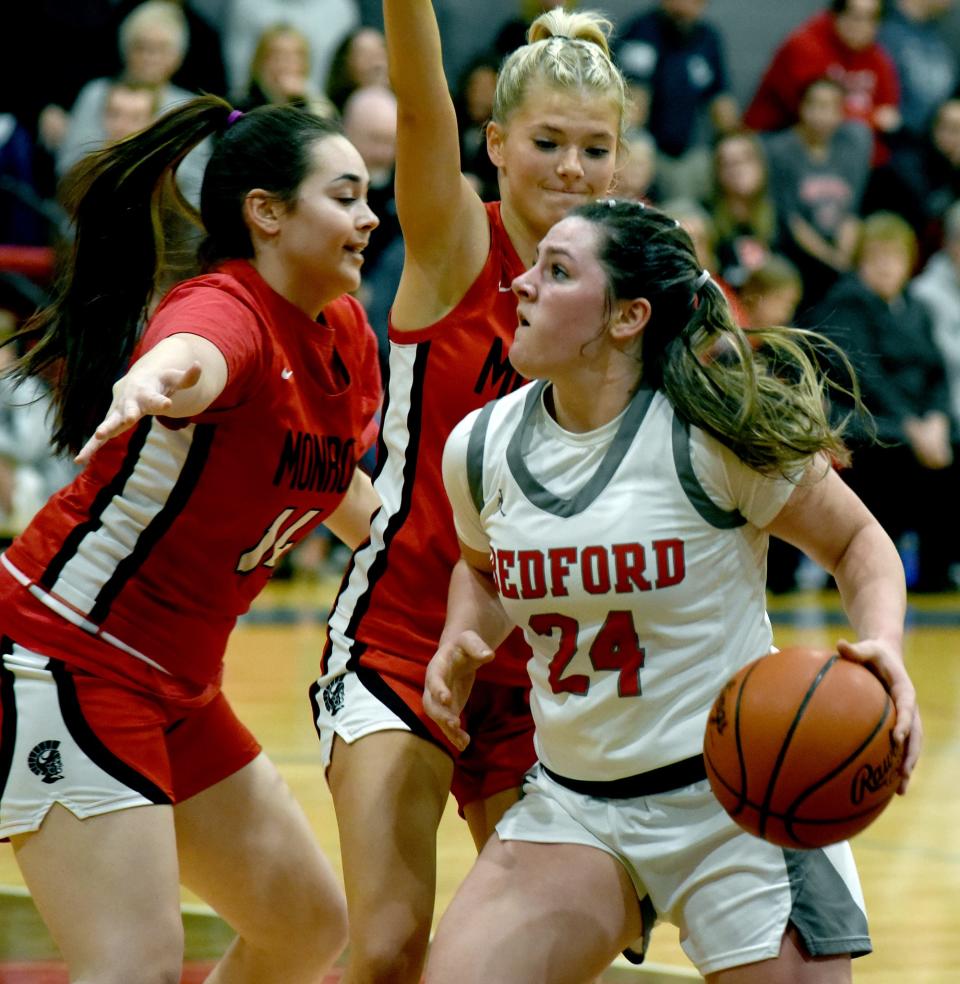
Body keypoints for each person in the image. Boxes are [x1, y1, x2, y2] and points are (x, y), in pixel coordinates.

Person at [422, 198, 922, 983]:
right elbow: (481, 568)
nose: (519, 282)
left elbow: (859, 544)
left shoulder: (710, 432)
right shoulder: (480, 448)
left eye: (556, 271)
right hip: (575, 805)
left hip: (741, 804)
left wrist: (884, 650)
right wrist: (462, 630)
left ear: (628, 317)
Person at [0, 94, 384, 983]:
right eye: (345, 194)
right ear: (268, 213)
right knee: (132, 966)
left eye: (369, 195)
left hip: (176, 686)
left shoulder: (344, 333)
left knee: (303, 925)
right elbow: (193, 353)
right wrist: (152, 380)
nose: (369, 217)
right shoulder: (227, 313)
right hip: (65, 657)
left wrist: (464, 563)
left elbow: (339, 492)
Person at [312, 4, 628, 981]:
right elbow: (416, 110)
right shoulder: (453, 241)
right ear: (494, 142)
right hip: (402, 640)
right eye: (545, 143)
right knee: (393, 947)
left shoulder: (632, 289)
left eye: (594, 148)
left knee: (532, 960)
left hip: (543, 675)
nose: (570, 170)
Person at [813, 211, 958, 592]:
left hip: (920, 420)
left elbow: (937, 372)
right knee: (897, 451)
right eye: (877, 257)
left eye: (895, 257)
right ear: (860, 260)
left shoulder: (916, 307)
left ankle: (937, 570)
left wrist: (939, 418)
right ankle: (873, 571)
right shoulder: (847, 303)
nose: (887, 267)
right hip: (867, 417)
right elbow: (864, 375)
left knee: (952, 445)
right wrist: (913, 425)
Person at [744, 0, 900, 166]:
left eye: (871, 18)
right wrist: (872, 118)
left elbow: (889, 114)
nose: (862, 26)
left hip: (838, 149)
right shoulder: (805, 44)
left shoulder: (877, 56)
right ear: (835, 14)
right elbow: (816, 112)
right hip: (777, 138)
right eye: (855, 16)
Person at [615, 0, 739, 202]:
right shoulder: (642, 30)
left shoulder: (708, 38)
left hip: (687, 150)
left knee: (732, 159)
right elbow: (633, 104)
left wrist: (737, 141)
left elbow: (721, 103)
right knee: (640, 153)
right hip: (648, 144)